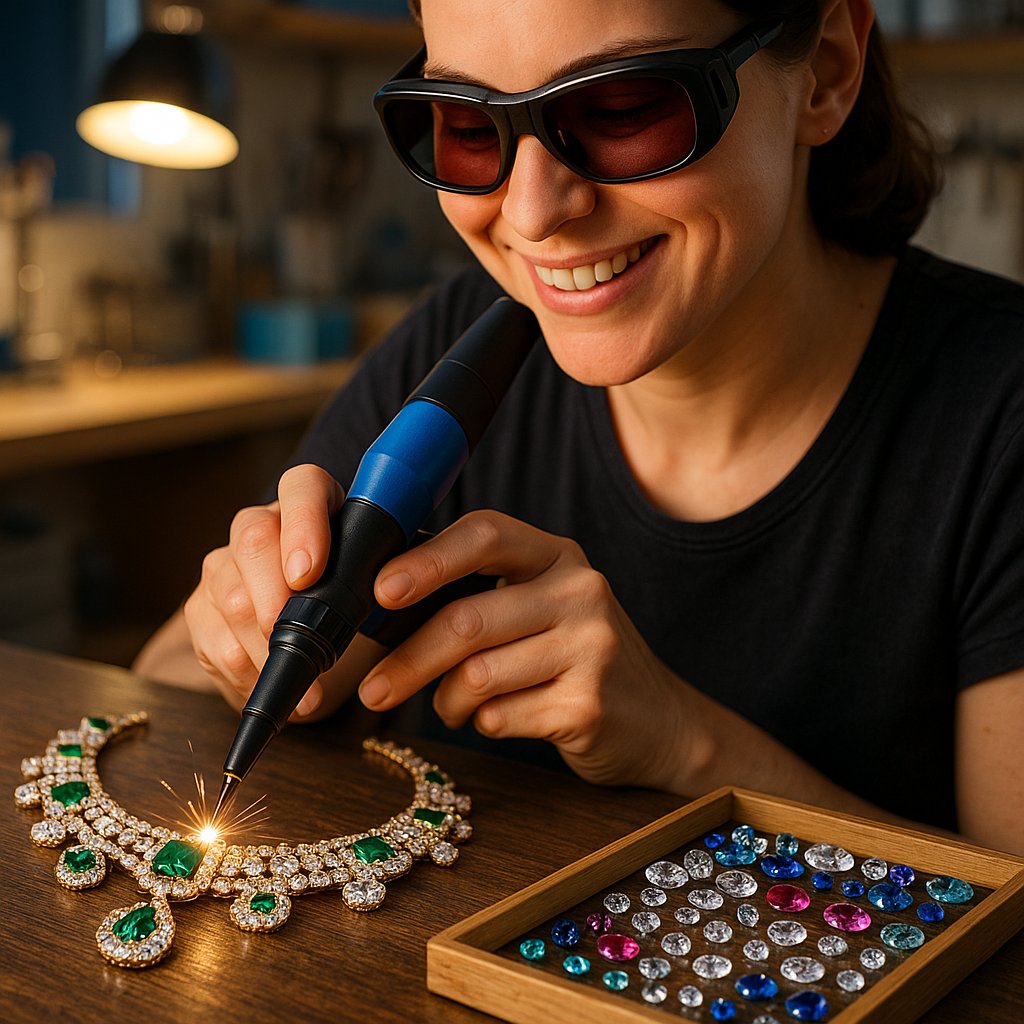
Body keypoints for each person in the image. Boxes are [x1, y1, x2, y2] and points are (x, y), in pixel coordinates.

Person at [134, 0, 1024, 855]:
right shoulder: (461, 344)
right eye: (469, 126)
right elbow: (164, 668)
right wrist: (248, 643)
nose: (532, 214)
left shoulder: (998, 410)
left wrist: (685, 749)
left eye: (624, 109)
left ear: (827, 71)